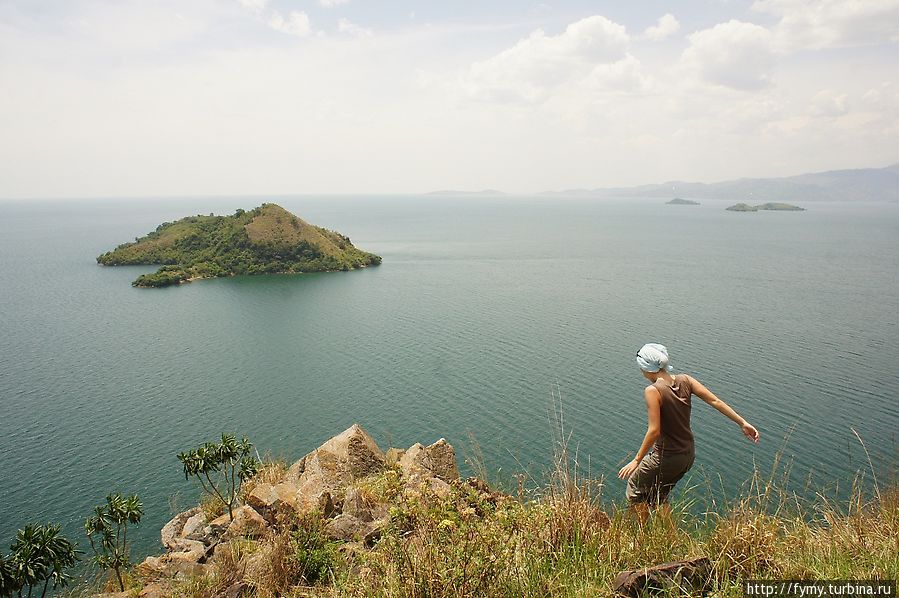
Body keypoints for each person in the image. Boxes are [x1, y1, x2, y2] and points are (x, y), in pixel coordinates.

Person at [617, 343, 760, 523]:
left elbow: (654, 431)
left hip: (666, 456)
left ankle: (642, 537)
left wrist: (636, 460)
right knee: (658, 495)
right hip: (687, 455)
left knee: (636, 486)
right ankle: (669, 539)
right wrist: (742, 422)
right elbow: (715, 401)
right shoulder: (686, 380)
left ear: (647, 368)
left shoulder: (653, 391)